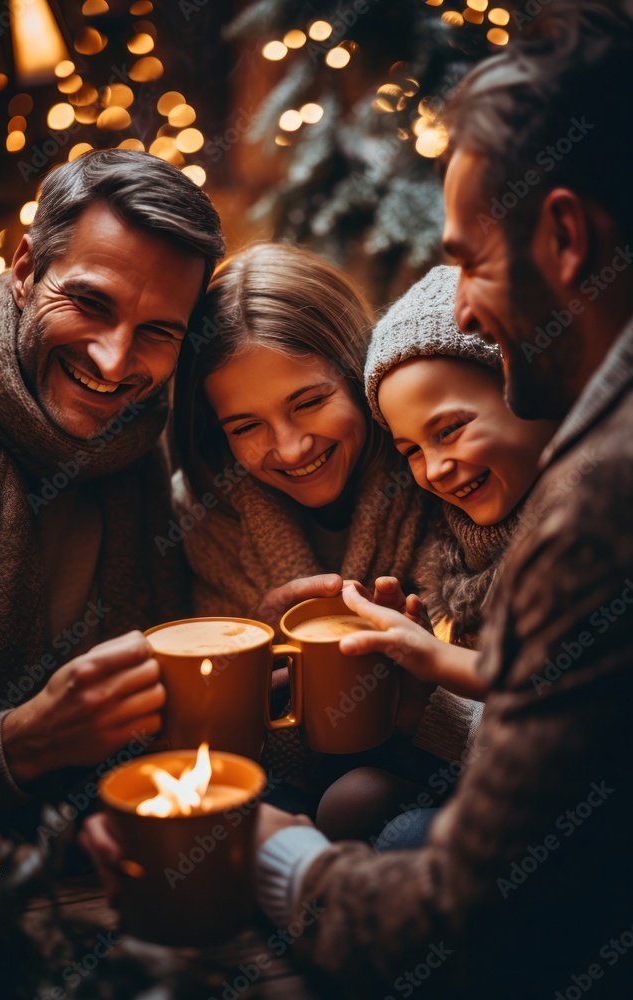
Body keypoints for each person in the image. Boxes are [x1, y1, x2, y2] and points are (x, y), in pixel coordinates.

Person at [247, 6, 633, 998]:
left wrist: (278, 856)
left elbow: (476, 913)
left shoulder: (594, 499)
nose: (457, 301)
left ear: (563, 233)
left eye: (466, 257)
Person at [0, 149, 224, 822]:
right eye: (89, 302)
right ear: (25, 270)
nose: (113, 363)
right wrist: (19, 744)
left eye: (157, 333)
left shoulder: (144, 436)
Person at [171, 241, 482, 795]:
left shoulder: (444, 476)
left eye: (309, 402)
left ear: (359, 376)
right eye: (246, 427)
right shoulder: (209, 519)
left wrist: (416, 695)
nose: (289, 449)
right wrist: (248, 675)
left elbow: (534, 734)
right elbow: (213, 763)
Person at [315, 263, 557, 843]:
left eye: (449, 429)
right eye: (411, 450)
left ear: (526, 387)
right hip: (502, 771)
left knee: (404, 840)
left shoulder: (586, 516)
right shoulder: (458, 544)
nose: (435, 469)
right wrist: (416, 703)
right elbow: (492, 738)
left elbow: (566, 720)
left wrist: (437, 662)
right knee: (351, 799)